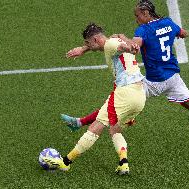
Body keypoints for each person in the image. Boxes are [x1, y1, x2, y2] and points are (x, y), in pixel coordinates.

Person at [63, 0, 189, 142]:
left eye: (137, 15)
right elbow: (184, 33)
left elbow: (133, 46)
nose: (136, 19)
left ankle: (79, 122)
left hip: (152, 83)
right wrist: (172, 34)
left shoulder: (143, 30)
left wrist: (121, 37)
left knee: (114, 104)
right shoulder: (169, 23)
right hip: (174, 79)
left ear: (145, 13)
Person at [43, 23, 146, 175]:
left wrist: (129, 48)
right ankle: (123, 164)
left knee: (96, 126)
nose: (87, 45)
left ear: (96, 39)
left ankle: (65, 162)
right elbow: (118, 45)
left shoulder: (112, 44)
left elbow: (120, 48)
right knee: (115, 129)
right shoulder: (114, 40)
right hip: (140, 95)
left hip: (125, 93)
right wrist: (83, 49)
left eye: (87, 43)